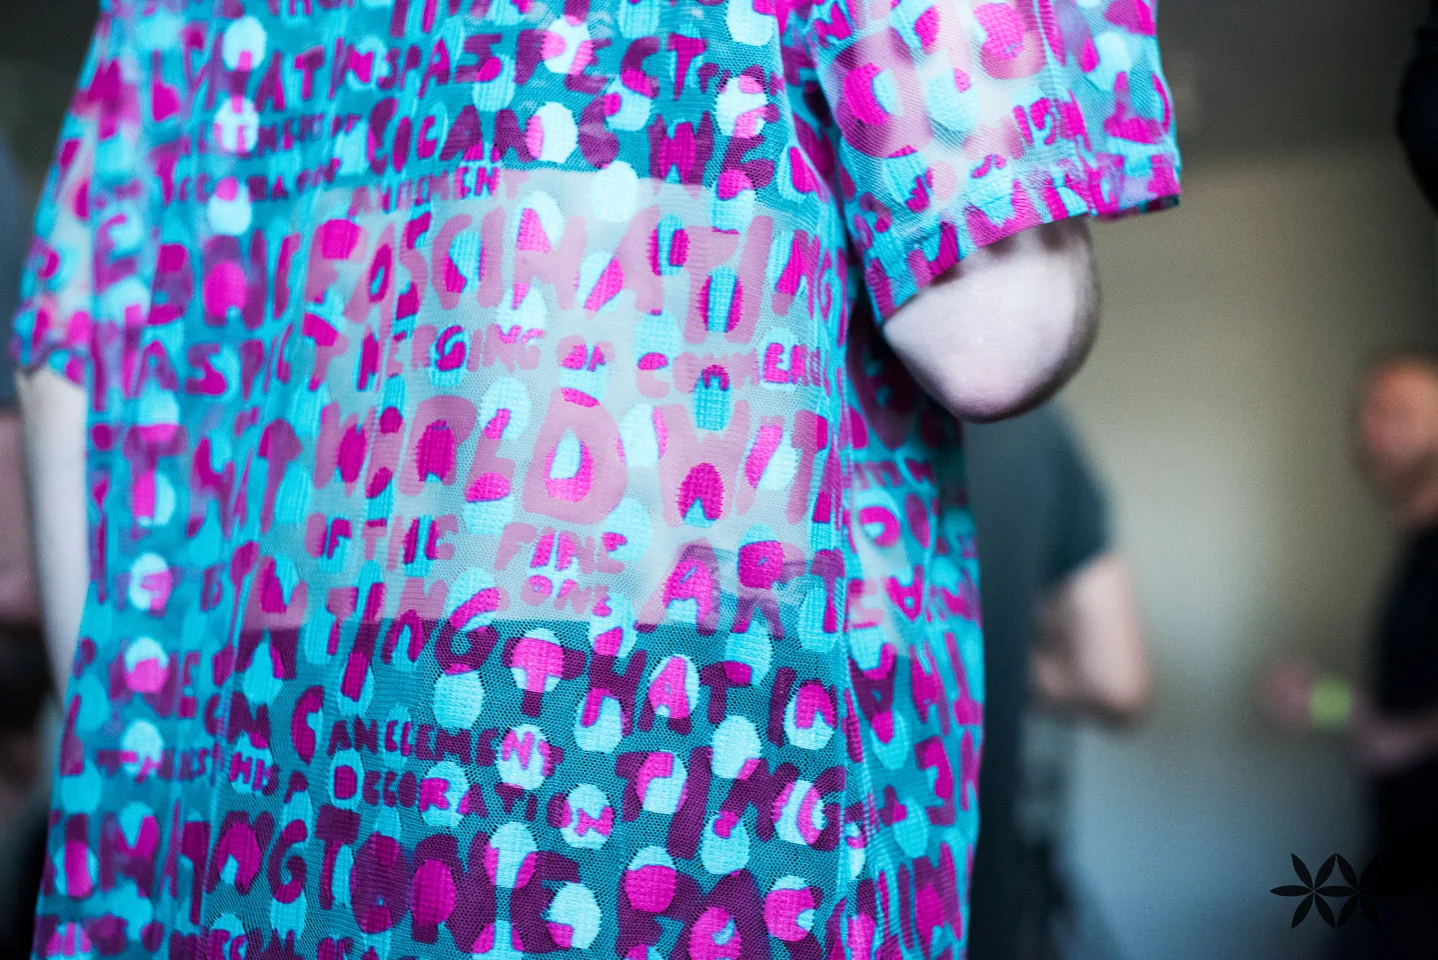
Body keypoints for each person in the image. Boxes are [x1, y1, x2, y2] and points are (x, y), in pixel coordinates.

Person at [10, 3, 1180, 957]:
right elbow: (989, 335)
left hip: (250, 873)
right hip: (686, 864)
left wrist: (140, 784)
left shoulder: (162, 19)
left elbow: (69, 385)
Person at [1266, 350, 1438, 958]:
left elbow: (1403, 734)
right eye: (1365, 414)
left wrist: (1408, 738)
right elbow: (1389, 719)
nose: (1371, 430)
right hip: (1401, 867)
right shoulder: (1415, 553)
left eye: (1396, 413)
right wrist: (1325, 701)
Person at [964, 403, 1150, 960]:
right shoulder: (1022, 424)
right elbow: (1115, 679)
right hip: (969, 903)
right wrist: (996, 655)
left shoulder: (761, 397)